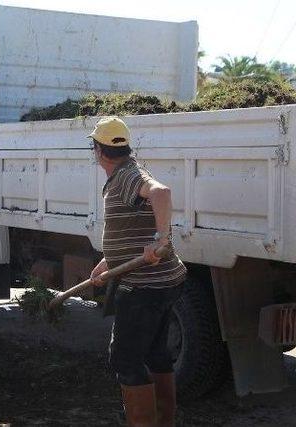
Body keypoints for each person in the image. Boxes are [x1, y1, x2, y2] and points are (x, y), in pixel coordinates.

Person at [88, 117, 187, 427]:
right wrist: (110, 261)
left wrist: (161, 239)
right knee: (156, 354)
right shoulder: (125, 173)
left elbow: (162, 193)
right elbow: (131, 225)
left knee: (126, 359)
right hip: (160, 282)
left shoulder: (128, 175)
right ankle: (163, 421)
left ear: (98, 151)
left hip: (146, 286)